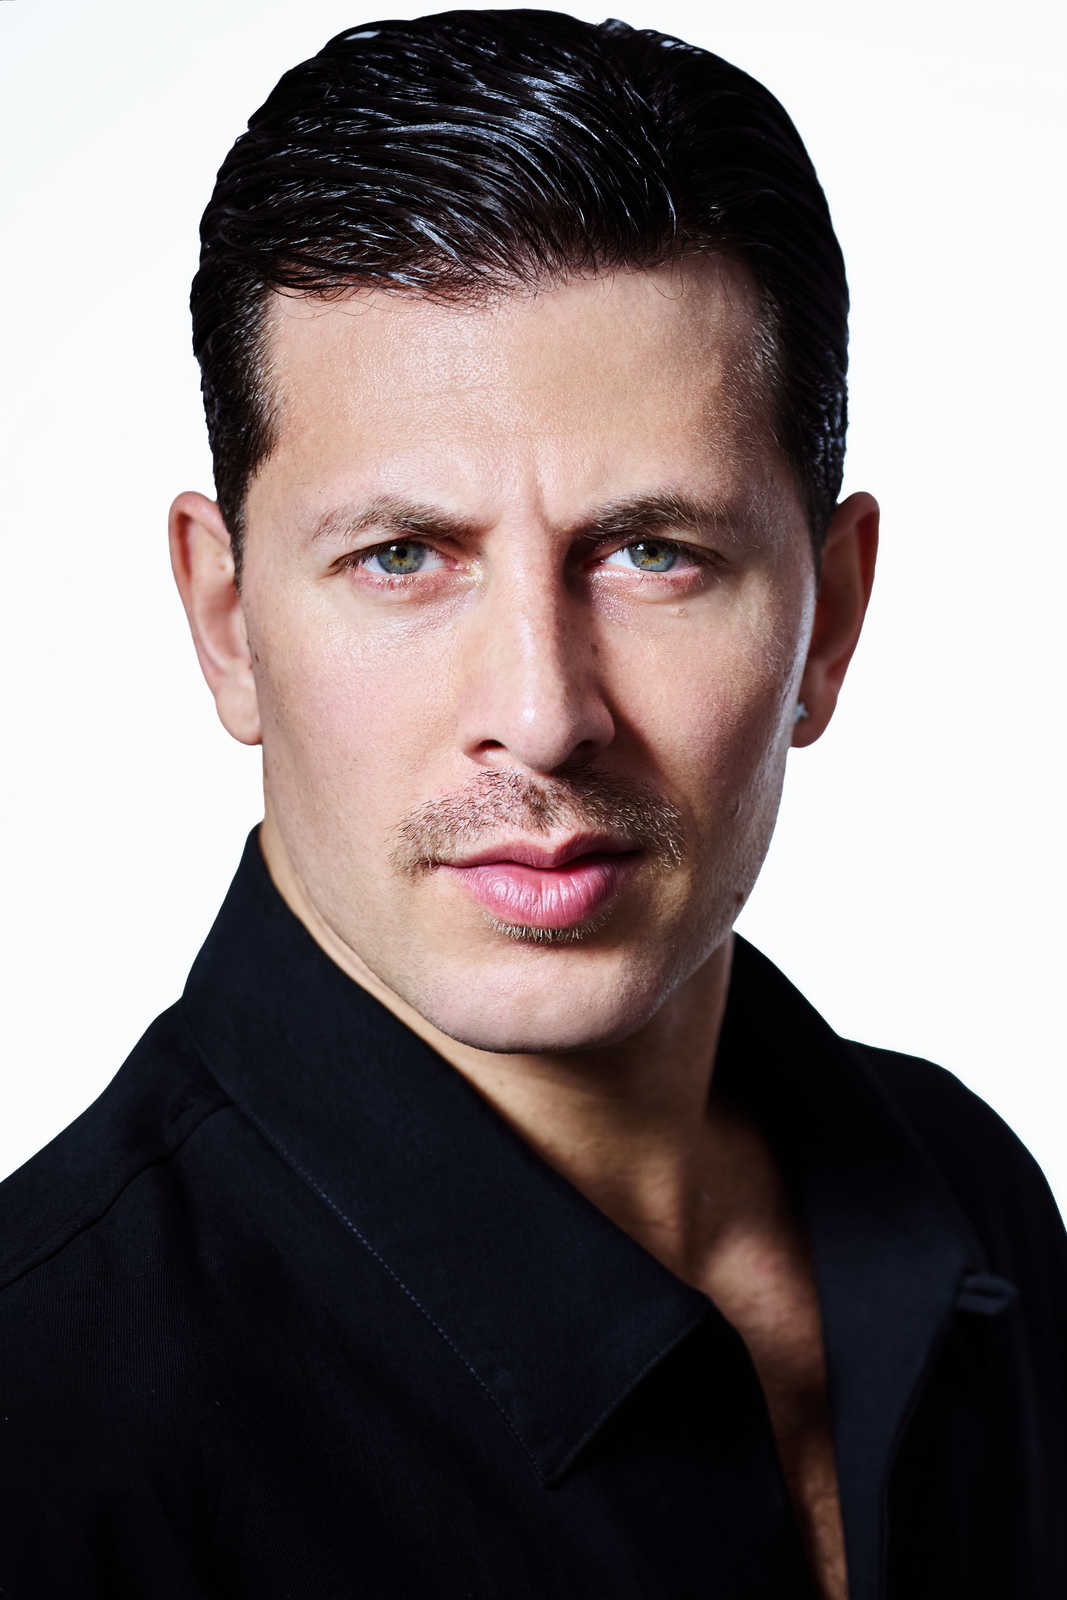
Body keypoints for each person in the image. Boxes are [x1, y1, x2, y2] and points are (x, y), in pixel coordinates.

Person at [0, 9, 1063, 1597]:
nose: (545, 716)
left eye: (652, 553)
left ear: (829, 621)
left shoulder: (967, 1191)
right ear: (228, 624)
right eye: (403, 557)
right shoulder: (44, 1421)